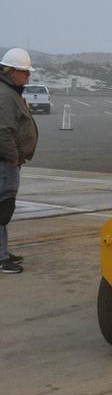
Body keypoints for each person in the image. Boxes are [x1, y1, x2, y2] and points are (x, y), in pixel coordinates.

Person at [0, 48, 39, 275]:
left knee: (4, 208)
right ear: (12, 71)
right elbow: (3, 131)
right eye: (25, 72)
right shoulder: (5, 95)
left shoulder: (10, 92)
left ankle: (3, 252)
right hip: (6, 163)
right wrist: (13, 157)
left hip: (9, 162)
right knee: (3, 209)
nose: (28, 76)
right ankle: (2, 257)